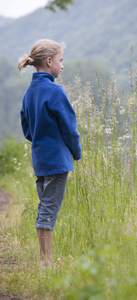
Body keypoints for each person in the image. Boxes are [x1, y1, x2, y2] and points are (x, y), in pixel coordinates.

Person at [18, 39, 82, 267]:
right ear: (49, 61)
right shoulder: (55, 91)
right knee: (48, 208)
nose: (62, 66)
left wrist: (42, 138)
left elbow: (27, 130)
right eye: (60, 60)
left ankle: (46, 259)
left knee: (44, 204)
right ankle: (46, 262)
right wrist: (77, 153)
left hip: (40, 161)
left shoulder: (29, 93)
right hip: (57, 161)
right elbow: (70, 129)